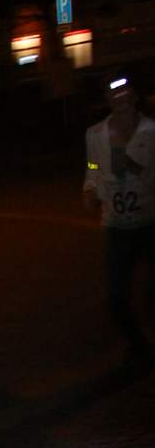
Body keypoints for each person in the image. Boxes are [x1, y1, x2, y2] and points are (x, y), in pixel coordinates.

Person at [83, 75, 155, 362]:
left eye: (125, 91)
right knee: (115, 297)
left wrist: (132, 166)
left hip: (150, 222)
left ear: (135, 96)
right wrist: (89, 189)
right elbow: (92, 166)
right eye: (113, 93)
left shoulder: (151, 132)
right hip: (116, 226)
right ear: (106, 99)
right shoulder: (94, 134)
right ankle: (138, 346)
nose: (119, 97)